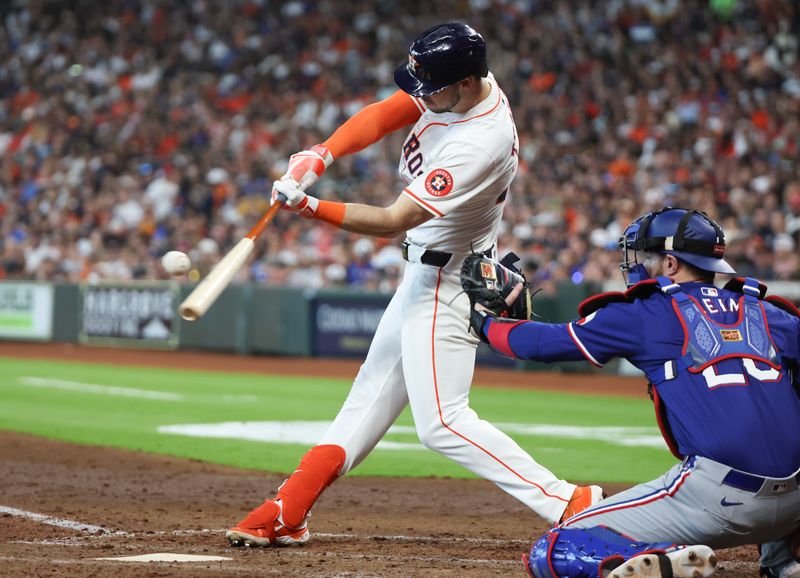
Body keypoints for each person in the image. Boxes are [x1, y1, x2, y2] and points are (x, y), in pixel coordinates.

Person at [226, 22, 602, 548]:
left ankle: (568, 502)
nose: (422, 94)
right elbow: (387, 112)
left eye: (433, 87)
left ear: (468, 83)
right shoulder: (457, 92)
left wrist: (309, 206)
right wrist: (321, 154)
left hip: (450, 278)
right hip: (426, 268)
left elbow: (392, 218)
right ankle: (289, 509)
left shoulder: (480, 141)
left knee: (442, 423)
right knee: (369, 397)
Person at [469, 208, 800, 578]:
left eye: (646, 257)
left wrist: (486, 323)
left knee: (555, 549)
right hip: (795, 504)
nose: (637, 266)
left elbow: (546, 345)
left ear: (671, 264)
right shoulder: (768, 311)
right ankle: (784, 561)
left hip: (718, 500)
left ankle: (670, 559)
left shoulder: (649, 311)